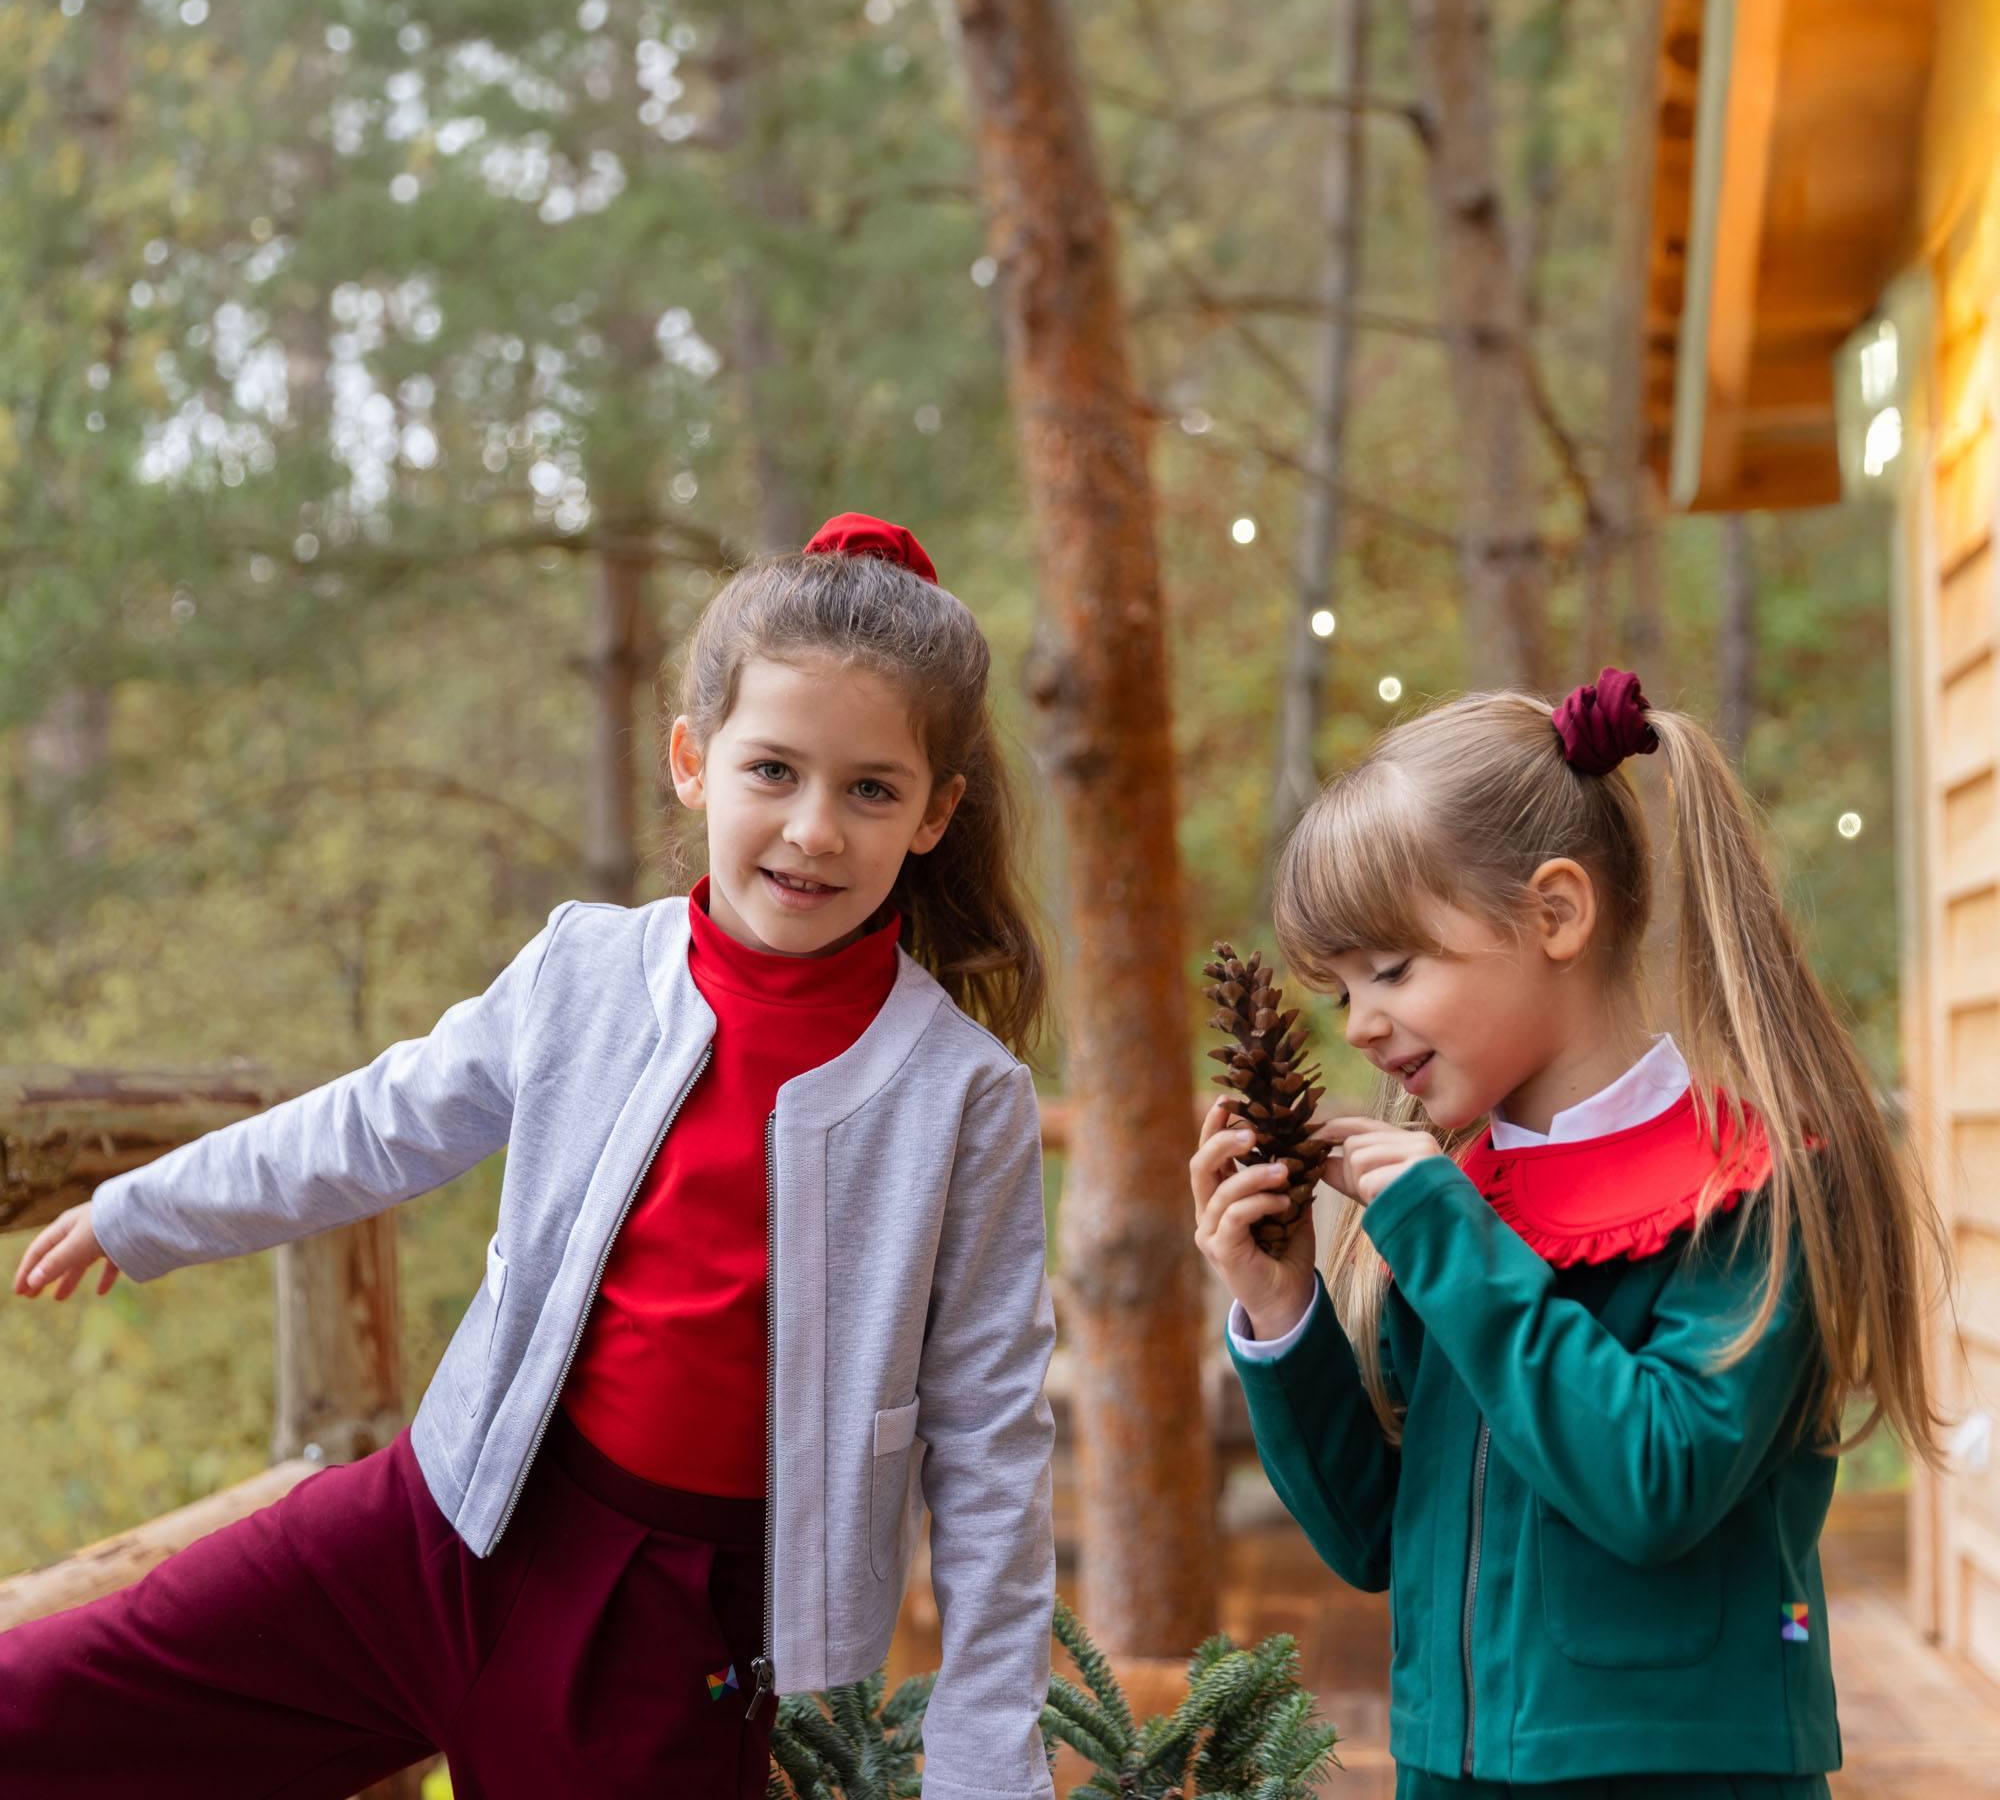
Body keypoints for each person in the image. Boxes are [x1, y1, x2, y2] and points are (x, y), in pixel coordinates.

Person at [3, 513, 1058, 1800]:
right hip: (439, 1525)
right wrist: (146, 1209)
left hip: (681, 1642)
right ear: (692, 759)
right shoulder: (586, 972)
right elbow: (377, 1121)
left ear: (936, 812)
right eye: (772, 770)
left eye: (870, 789)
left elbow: (991, 1437)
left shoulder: (962, 1097)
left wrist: (982, 1764)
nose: (814, 828)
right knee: (41, 1710)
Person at [1191, 668, 1948, 1800]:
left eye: (1391, 967)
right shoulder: (1460, 1194)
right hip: (1445, 1768)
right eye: (1338, 986)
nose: (1359, 1023)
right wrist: (1279, 1308)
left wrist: (1448, 1242)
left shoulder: (1747, 1185)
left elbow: (1656, 1479)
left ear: (1554, 911)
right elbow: (1374, 1539)